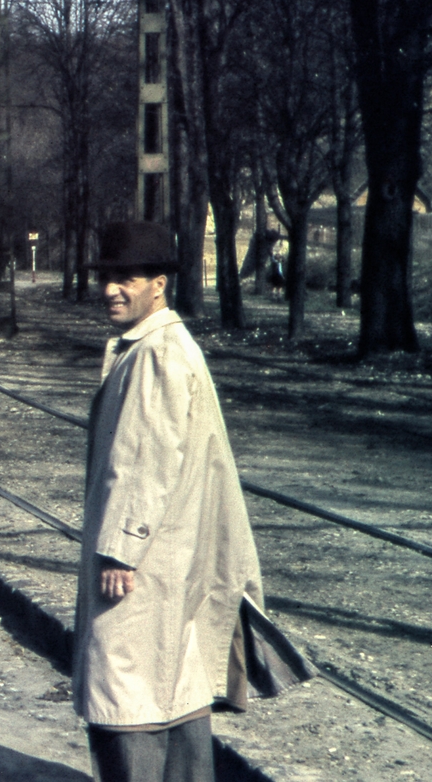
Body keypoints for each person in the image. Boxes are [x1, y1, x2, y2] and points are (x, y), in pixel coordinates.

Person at [76, 221, 308, 782]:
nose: (111, 289)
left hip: (142, 558)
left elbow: (144, 458)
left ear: (158, 284)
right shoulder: (166, 345)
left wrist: (120, 549)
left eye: (126, 278)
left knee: (125, 685)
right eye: (106, 277)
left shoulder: (155, 353)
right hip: (173, 555)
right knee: (176, 680)